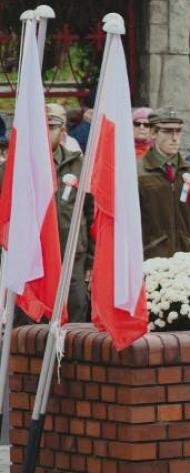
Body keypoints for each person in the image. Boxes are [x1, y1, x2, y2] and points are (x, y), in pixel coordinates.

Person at [137, 109, 190, 260]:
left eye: (178, 131)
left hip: (189, 260)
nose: (175, 138)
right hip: (150, 259)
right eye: (168, 131)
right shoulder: (138, 174)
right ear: (153, 133)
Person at [44, 104, 92, 319]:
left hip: (72, 254)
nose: (46, 131)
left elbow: (91, 213)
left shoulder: (78, 164)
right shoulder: (17, 165)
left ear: (62, 130)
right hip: (36, 256)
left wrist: (92, 258)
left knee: (76, 306)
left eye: (52, 126)